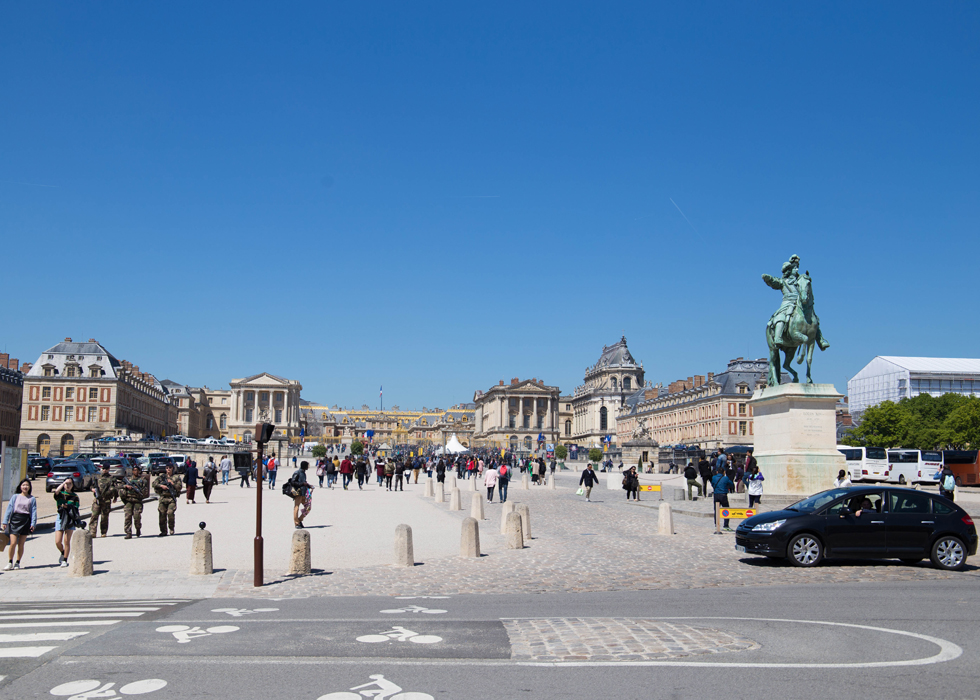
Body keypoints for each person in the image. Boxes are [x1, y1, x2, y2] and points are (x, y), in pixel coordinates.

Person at [3, 479, 37, 570]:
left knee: (21, 544)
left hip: (26, 521)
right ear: (20, 486)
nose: (25, 487)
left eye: (27, 485)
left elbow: (33, 512)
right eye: (23, 485)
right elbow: (9, 509)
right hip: (15, 520)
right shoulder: (15, 496)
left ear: (29, 487)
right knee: (13, 543)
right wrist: (5, 521)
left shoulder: (32, 498)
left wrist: (33, 523)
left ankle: (17, 562)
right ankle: (10, 562)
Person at [53, 478, 81, 566]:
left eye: (70, 483)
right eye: (66, 483)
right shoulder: (61, 494)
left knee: (66, 540)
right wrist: (63, 483)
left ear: (73, 485)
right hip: (61, 517)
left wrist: (68, 506)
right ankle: (63, 552)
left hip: (70, 518)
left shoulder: (75, 496)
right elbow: (56, 492)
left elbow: (76, 507)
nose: (68, 485)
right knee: (58, 541)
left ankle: (65, 560)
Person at [118, 465, 149, 539]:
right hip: (128, 501)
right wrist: (126, 486)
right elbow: (119, 486)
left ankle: (138, 528)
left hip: (137, 501)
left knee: (137, 517)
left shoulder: (142, 480)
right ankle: (128, 532)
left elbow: (145, 491)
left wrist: (138, 490)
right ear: (132, 471)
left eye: (137, 470)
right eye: (134, 470)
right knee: (128, 517)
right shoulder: (128, 479)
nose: (136, 471)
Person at [88, 462, 118, 538]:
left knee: (104, 517)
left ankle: (103, 532)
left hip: (106, 500)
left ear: (109, 469)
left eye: (106, 469)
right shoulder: (97, 477)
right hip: (97, 500)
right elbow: (91, 486)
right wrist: (93, 489)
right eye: (103, 468)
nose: (104, 470)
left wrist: (115, 497)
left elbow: (115, 488)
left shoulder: (111, 478)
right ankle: (92, 532)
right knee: (94, 516)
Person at [153, 464, 183, 537]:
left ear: (172, 468)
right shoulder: (162, 477)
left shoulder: (176, 477)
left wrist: (172, 483)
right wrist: (161, 486)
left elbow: (179, 487)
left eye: (170, 468)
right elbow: (154, 483)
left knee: (170, 513)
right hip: (163, 498)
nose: (168, 469)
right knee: (162, 514)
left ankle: (171, 528)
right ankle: (163, 531)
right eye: (167, 468)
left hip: (171, 498)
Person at [290, 461, 313, 528]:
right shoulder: (297, 472)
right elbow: (293, 482)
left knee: (308, 507)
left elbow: (304, 482)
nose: (308, 467)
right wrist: (302, 484)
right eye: (307, 465)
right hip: (298, 493)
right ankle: (296, 523)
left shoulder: (303, 473)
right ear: (304, 466)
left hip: (304, 493)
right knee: (296, 507)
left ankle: (300, 520)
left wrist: (308, 485)